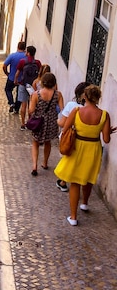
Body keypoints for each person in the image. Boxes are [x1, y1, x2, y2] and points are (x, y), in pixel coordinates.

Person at [54, 84, 115, 226]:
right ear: (98, 98)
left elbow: (66, 127)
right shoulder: (105, 115)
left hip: (77, 147)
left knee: (75, 181)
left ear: (84, 96)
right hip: (93, 148)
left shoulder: (76, 111)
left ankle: (73, 217)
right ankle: (85, 203)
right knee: (88, 178)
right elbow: (106, 139)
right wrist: (106, 131)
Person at [55, 81, 89, 192]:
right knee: (76, 161)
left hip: (69, 137)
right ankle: (72, 181)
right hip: (84, 140)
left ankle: (63, 182)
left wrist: (56, 120)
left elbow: (62, 123)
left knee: (67, 160)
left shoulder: (71, 106)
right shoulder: (93, 110)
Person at [28, 72, 63, 176]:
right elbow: (62, 109)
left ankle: (34, 166)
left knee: (35, 142)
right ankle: (45, 163)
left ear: (42, 82)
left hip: (39, 122)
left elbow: (31, 110)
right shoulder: (58, 94)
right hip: (51, 122)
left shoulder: (36, 94)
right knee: (48, 142)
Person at [14, 45, 42, 130]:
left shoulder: (22, 61)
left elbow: (18, 73)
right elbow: (40, 74)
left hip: (23, 84)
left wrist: (15, 80)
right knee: (32, 105)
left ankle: (23, 124)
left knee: (23, 105)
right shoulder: (37, 62)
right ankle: (30, 122)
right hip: (33, 86)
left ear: (28, 53)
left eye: (26, 51)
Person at [2, 41, 26, 114]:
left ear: (17, 47)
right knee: (19, 94)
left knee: (8, 90)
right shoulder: (26, 57)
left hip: (12, 78)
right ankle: (16, 109)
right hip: (22, 80)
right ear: (24, 48)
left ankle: (11, 103)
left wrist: (7, 73)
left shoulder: (12, 55)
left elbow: (4, 65)